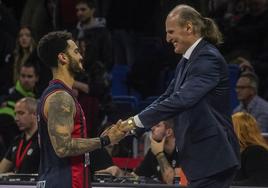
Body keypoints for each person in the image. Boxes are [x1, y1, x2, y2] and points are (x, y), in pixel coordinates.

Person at [109, 4, 240, 188]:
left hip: (212, 158)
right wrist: (130, 126)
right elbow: (167, 96)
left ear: (188, 27)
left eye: (171, 31)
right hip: (202, 160)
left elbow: (181, 100)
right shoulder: (187, 60)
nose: (167, 38)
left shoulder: (207, 58)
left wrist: (135, 122)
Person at [36, 31, 128, 188]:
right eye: (76, 51)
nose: (81, 57)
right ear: (63, 57)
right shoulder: (60, 98)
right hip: (66, 182)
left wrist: (100, 140)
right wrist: (105, 141)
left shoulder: (53, 94)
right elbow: (63, 147)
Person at [0, 62, 39, 148]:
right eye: (23, 76)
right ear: (18, 77)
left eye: (29, 76)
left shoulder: (39, 97)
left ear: (36, 78)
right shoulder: (8, 100)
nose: (26, 80)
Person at [134, 120, 180, 184]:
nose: (152, 128)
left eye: (157, 126)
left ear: (168, 132)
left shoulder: (182, 150)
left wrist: (159, 154)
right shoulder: (153, 150)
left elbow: (171, 181)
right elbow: (137, 177)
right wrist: (119, 173)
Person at [0, 97, 39, 174]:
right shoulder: (17, 140)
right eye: (15, 114)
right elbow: (1, 169)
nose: (16, 118)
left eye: (21, 113)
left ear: (34, 114)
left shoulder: (44, 140)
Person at [232, 112, 268, 186]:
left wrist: (226, 185)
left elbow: (258, 183)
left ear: (239, 131)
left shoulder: (256, 152)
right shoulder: (237, 152)